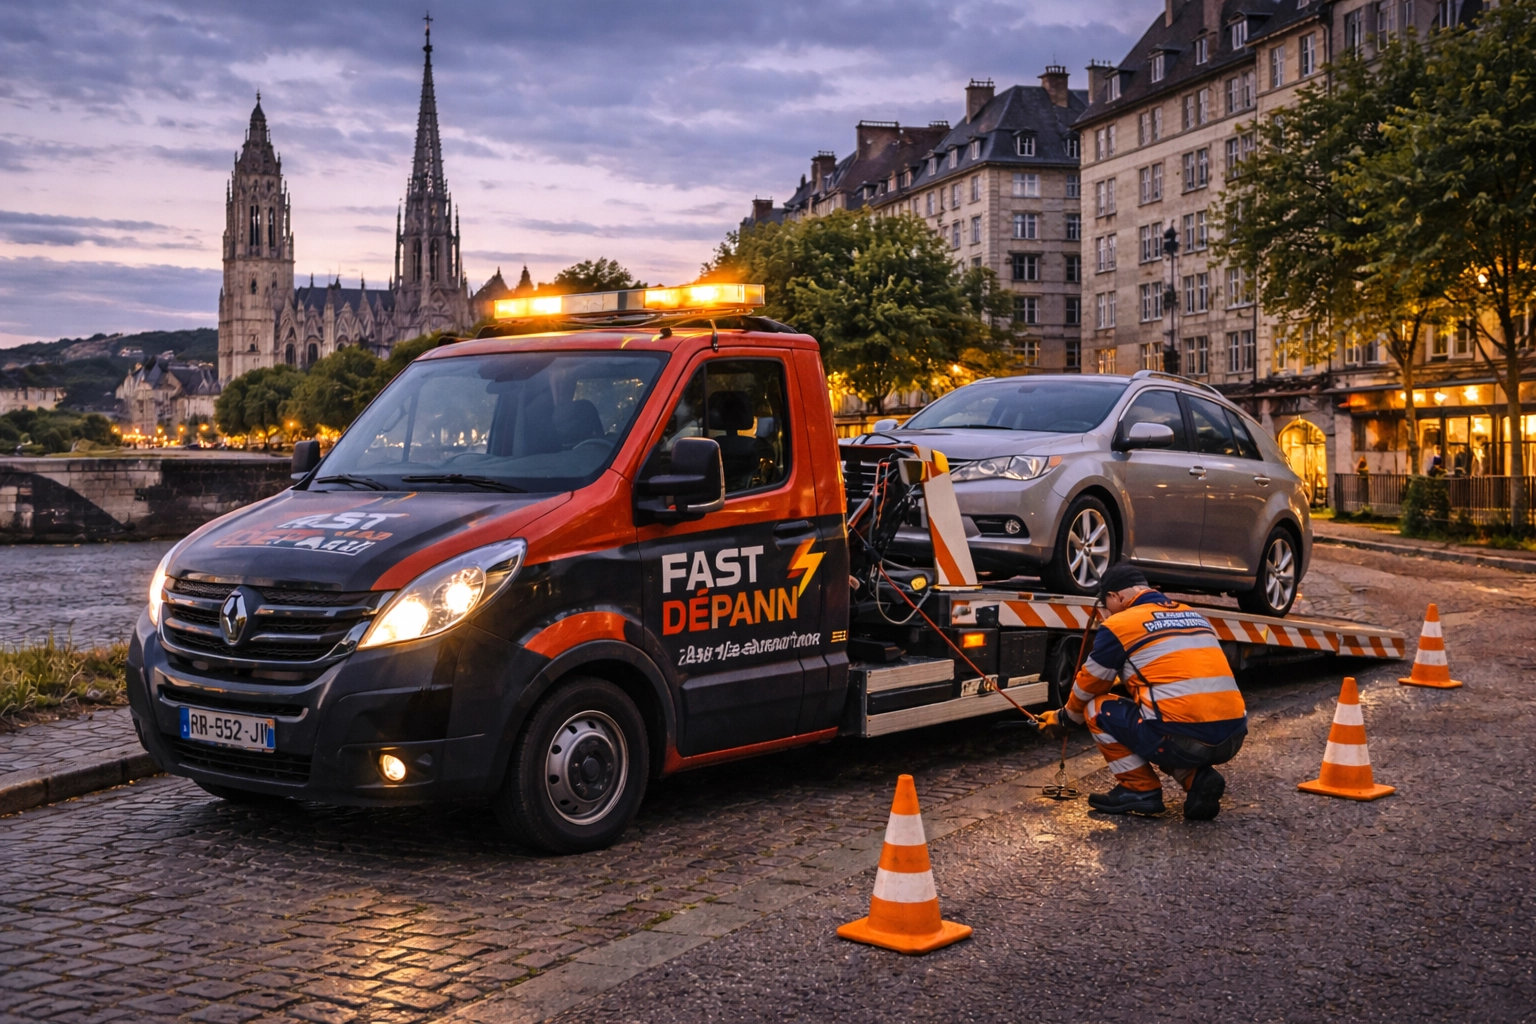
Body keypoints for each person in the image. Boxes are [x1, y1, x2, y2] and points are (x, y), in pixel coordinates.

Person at [1036, 564, 1248, 820]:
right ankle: (1196, 779)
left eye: (1104, 605)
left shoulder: (1121, 623)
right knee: (1160, 717)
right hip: (1233, 736)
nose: (1103, 614)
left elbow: (1091, 683)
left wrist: (1064, 719)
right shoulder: (1192, 614)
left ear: (1117, 597)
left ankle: (1140, 790)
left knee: (1097, 708)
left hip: (1180, 740)